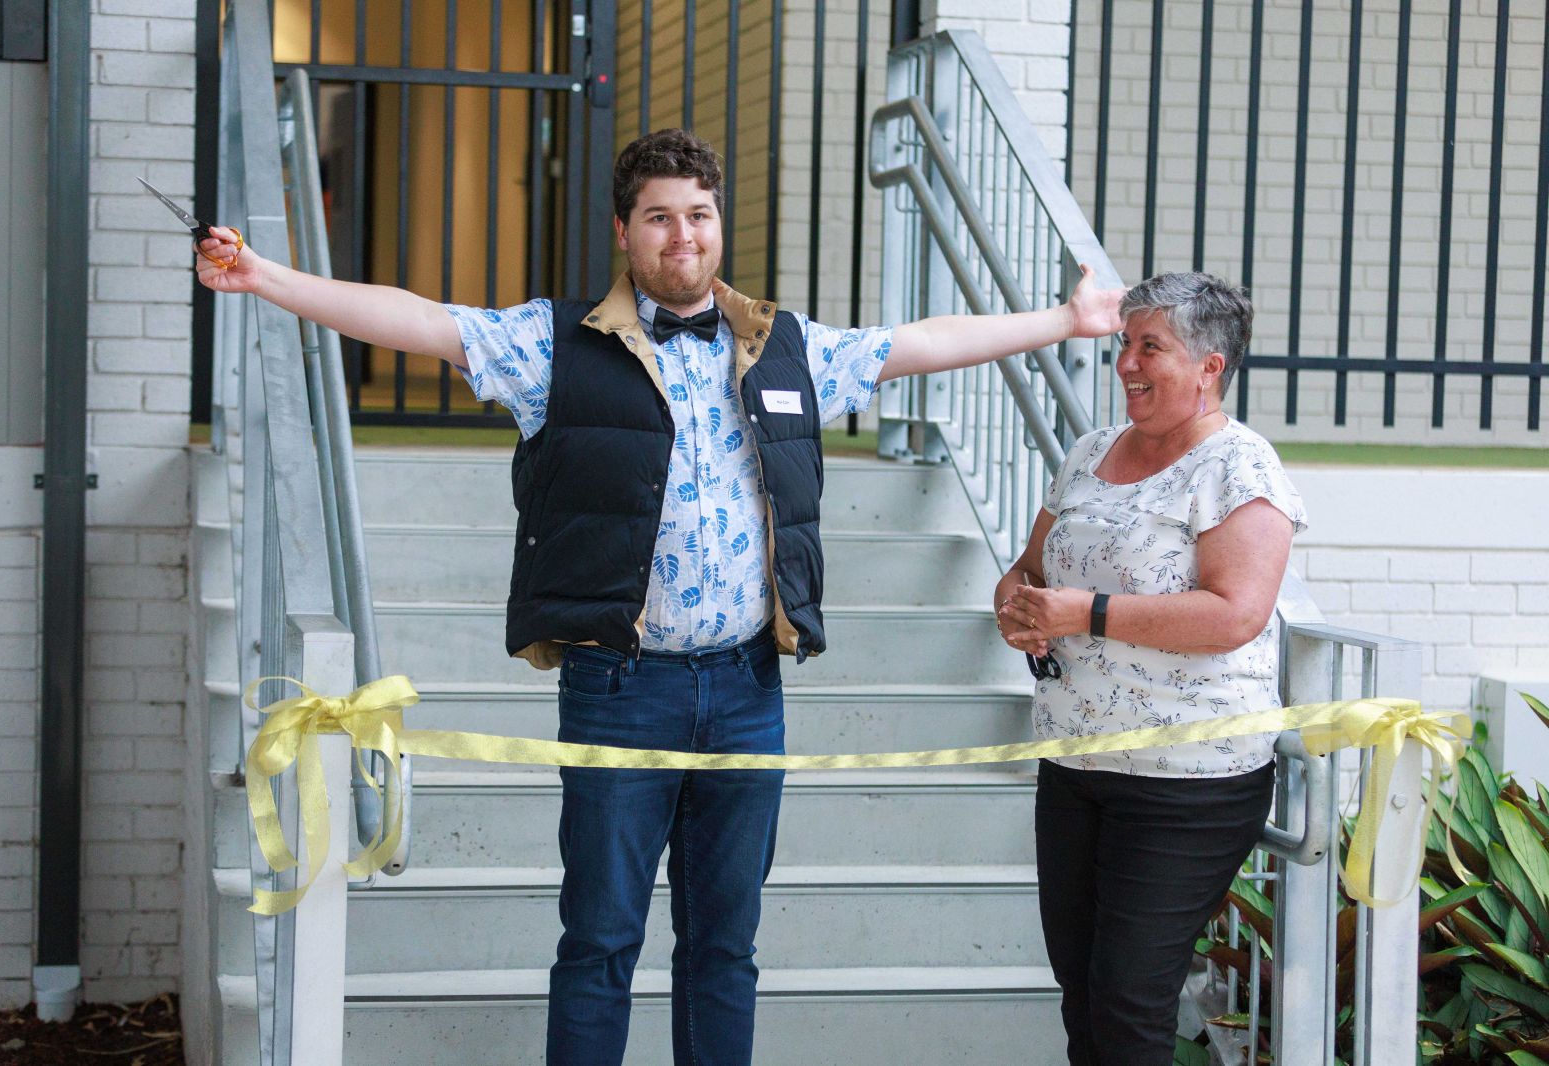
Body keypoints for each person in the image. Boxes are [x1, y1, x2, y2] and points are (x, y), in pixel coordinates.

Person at [196, 127, 1125, 1066]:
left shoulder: (782, 345)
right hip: (618, 689)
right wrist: (266, 276)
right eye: (659, 218)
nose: (682, 235)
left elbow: (922, 343)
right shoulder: (554, 344)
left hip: (748, 693)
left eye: (698, 215)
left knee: (726, 948)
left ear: (719, 223)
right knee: (599, 942)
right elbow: (417, 319)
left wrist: (1066, 320)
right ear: (624, 230)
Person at [993, 271, 1308, 1065]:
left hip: (1187, 783)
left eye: (1150, 346)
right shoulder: (1091, 450)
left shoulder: (1241, 469)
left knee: (1131, 1001)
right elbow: (1029, 567)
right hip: (1075, 763)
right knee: (1083, 992)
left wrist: (1084, 614)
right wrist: (1016, 605)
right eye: (1125, 343)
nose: (1127, 362)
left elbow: (1236, 613)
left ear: (1210, 365)